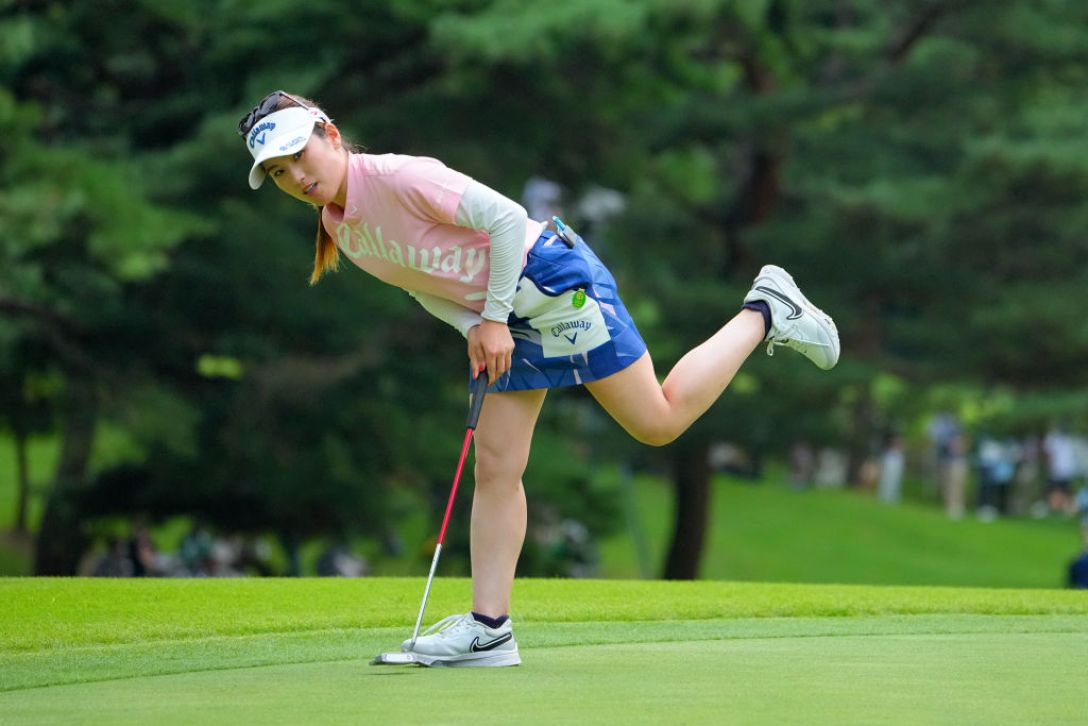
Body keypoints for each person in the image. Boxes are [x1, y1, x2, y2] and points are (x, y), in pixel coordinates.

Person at [237, 90, 840, 666]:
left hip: (552, 284)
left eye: (299, 156)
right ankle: (489, 630)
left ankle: (765, 309)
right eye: (280, 173)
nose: (297, 176)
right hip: (504, 317)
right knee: (497, 466)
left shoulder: (399, 177)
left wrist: (493, 317)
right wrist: (474, 327)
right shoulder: (343, 225)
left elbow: (505, 218)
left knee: (658, 422)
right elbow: (421, 286)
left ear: (331, 136)